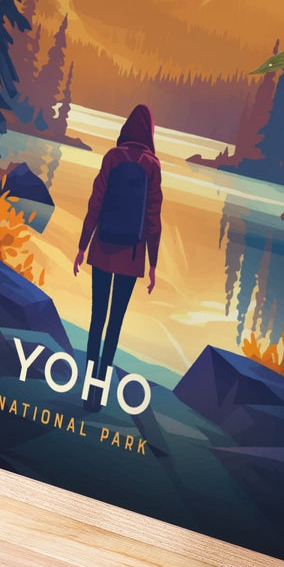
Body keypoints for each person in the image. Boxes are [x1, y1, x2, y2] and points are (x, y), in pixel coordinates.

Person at [72, 104, 164, 413]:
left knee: (97, 319)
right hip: (133, 256)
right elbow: (153, 218)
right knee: (115, 325)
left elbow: (94, 204)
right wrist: (152, 264)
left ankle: (87, 391)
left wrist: (83, 246)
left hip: (102, 249)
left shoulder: (112, 158)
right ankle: (99, 397)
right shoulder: (152, 165)